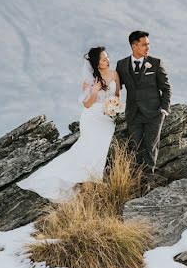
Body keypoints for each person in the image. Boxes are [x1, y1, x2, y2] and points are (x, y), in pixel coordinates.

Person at [17, 46, 119, 201]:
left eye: (107, 57)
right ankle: (84, 180)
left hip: (108, 118)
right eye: (104, 59)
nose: (108, 60)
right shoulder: (90, 80)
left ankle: (91, 179)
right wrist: (94, 91)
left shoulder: (114, 74)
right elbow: (86, 104)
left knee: (101, 148)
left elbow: (117, 95)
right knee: (87, 149)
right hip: (91, 118)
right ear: (97, 63)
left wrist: (114, 106)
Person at [116, 30, 171, 171]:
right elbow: (116, 87)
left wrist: (164, 109)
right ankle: (136, 182)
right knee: (135, 147)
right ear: (134, 46)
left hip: (154, 113)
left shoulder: (156, 63)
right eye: (144, 45)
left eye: (148, 44)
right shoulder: (121, 65)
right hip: (133, 113)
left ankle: (148, 182)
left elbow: (166, 88)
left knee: (151, 147)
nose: (148, 48)